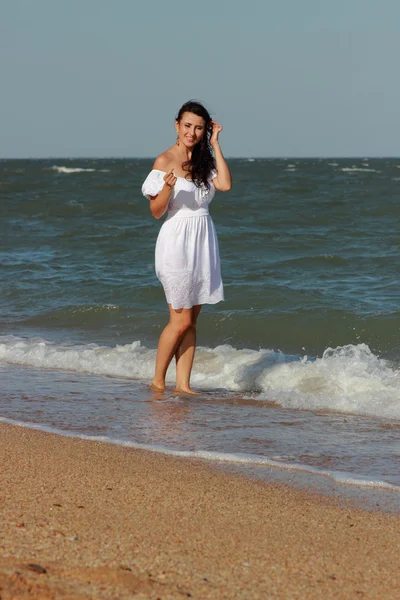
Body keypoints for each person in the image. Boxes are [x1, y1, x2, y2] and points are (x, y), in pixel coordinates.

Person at [141, 100, 232, 394]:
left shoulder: (204, 161)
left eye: (199, 128)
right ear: (177, 125)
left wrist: (215, 144)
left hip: (203, 241)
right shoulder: (164, 160)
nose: (192, 132)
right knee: (178, 320)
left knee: (191, 321)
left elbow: (226, 185)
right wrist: (167, 187)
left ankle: (183, 385)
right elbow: (156, 212)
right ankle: (157, 381)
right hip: (176, 241)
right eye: (187, 125)